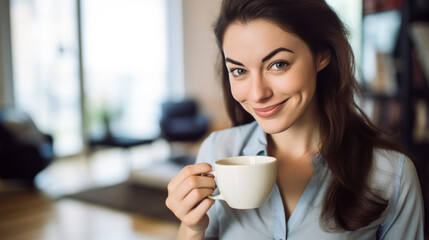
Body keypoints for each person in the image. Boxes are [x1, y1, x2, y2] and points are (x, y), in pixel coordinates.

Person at [165, 0, 425, 239]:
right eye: (239, 70)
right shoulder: (216, 150)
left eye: (278, 64)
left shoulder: (392, 175)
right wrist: (191, 227)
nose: (258, 94)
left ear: (322, 55)